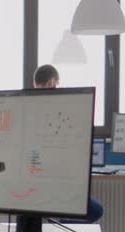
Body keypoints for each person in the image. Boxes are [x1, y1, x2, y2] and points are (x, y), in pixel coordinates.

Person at [33, 64, 104, 223]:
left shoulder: (30, 107)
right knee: (96, 210)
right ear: (52, 82)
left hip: (37, 183)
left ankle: (60, 227)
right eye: (56, 84)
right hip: (54, 185)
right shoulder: (61, 107)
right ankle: (63, 228)